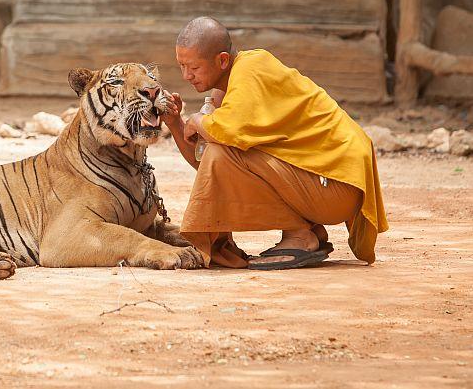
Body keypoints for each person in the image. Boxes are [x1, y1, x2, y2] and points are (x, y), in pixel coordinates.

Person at [161, 16, 388, 270]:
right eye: (181, 66)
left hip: (337, 183)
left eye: (193, 67)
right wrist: (176, 124)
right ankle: (303, 232)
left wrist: (198, 122)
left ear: (222, 60)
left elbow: (223, 145)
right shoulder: (228, 89)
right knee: (220, 153)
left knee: (222, 149)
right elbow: (210, 166)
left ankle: (300, 235)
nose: (186, 76)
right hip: (326, 182)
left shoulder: (251, 68)